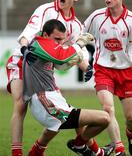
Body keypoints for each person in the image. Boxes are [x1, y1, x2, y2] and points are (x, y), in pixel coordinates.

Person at [6, 0, 92, 155]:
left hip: (44, 69)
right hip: (23, 60)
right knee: (20, 104)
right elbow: (27, 34)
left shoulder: (76, 25)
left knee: (64, 109)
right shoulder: (45, 10)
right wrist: (24, 48)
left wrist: (87, 68)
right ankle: (16, 153)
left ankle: (90, 149)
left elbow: (75, 52)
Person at [22, 19, 112, 156]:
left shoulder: (40, 44)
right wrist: (80, 43)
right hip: (45, 102)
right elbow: (61, 57)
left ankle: (36, 152)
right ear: (45, 35)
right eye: (56, 39)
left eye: (62, 40)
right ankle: (80, 145)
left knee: (75, 122)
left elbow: (60, 63)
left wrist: (72, 61)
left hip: (47, 101)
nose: (60, 43)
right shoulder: (40, 43)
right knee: (105, 118)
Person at [81, 0, 132, 156]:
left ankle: (130, 134)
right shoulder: (97, 16)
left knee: (131, 118)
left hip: (127, 72)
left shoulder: (131, 20)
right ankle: (119, 149)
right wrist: (79, 47)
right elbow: (81, 33)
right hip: (103, 70)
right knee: (108, 109)